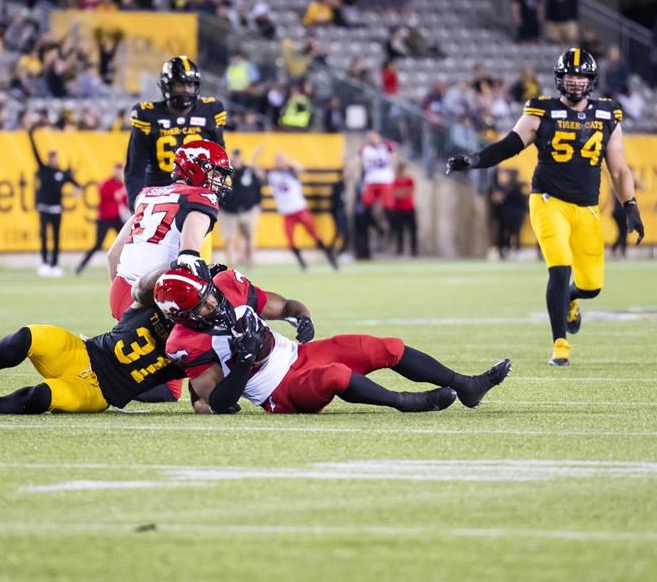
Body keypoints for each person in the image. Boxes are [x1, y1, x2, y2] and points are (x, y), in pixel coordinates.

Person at [446, 48, 645, 366]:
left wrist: (631, 206)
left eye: (581, 75)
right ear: (559, 78)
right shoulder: (541, 110)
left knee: (591, 286)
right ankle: (560, 345)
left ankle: (571, 299)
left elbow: (619, 168)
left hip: (587, 207)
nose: (576, 81)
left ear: (591, 80)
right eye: (570, 74)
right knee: (559, 267)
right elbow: (511, 144)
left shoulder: (608, 114)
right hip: (547, 201)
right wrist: (474, 160)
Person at [153, 267, 511, 415]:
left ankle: (465, 385)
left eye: (210, 294)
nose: (214, 303)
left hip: (299, 353)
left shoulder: (229, 285)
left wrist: (302, 317)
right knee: (336, 375)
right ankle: (406, 402)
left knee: (386, 347)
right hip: (281, 390)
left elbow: (285, 305)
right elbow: (215, 403)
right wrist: (243, 364)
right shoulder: (186, 341)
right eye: (203, 305)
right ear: (183, 316)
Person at [0, 263, 187, 415]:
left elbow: (205, 394)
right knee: (26, 336)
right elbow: (142, 286)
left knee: (41, 398)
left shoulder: (197, 343)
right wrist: (177, 264)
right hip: (84, 352)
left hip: (97, 393)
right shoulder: (152, 301)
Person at [107, 140, 232, 403]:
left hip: (122, 290)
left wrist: (126, 307)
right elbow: (188, 258)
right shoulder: (202, 198)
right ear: (196, 169)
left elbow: (113, 255)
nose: (220, 181)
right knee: (170, 387)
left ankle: (109, 359)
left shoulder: (148, 194)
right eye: (216, 174)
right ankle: (105, 370)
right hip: (157, 299)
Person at [124, 56, 226, 208]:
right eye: (180, 85)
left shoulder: (210, 110)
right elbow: (135, 169)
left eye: (190, 85)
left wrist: (217, 186)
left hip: (196, 193)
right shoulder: (147, 115)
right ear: (167, 86)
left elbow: (219, 157)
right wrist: (136, 206)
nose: (186, 90)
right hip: (159, 193)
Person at [260, 152, 337, 270]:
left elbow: (301, 167)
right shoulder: (272, 174)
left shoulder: (291, 171)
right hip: (287, 213)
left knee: (315, 235)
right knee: (290, 241)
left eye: (282, 160)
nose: (280, 162)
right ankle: (302, 264)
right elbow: (258, 172)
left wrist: (287, 162)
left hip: (300, 209)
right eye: (278, 160)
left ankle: (330, 257)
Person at [28, 127, 81, 277]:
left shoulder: (62, 173)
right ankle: (45, 263)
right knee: (44, 236)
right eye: (51, 157)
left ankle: (55, 264)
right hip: (44, 208)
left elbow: (78, 185)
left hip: (57, 209)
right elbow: (35, 154)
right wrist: (31, 136)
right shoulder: (43, 169)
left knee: (57, 237)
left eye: (54, 157)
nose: (53, 159)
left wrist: (74, 193)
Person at [76, 162, 127, 276]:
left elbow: (124, 202)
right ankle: (81, 265)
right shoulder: (107, 184)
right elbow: (110, 195)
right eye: (117, 170)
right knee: (98, 244)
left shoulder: (121, 185)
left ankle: (128, 266)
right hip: (104, 219)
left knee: (126, 241)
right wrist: (122, 190)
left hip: (116, 218)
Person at [221, 148, 263, 271]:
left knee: (249, 238)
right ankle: (231, 266)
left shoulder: (248, 171)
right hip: (229, 211)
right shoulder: (227, 172)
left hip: (247, 211)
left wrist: (257, 204)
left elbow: (257, 188)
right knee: (229, 239)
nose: (236, 159)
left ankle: (249, 263)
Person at [391, 162, 417, 256]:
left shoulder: (409, 180)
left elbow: (410, 191)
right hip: (398, 209)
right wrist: (402, 192)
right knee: (399, 231)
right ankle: (400, 250)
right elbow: (394, 193)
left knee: (412, 230)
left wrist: (401, 192)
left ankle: (414, 250)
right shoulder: (394, 181)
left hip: (409, 208)